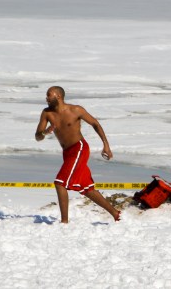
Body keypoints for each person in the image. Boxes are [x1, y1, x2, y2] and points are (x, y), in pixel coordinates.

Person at [35, 86, 120, 223]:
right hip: (67, 152)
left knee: (60, 183)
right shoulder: (47, 113)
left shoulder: (76, 110)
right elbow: (38, 137)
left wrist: (106, 145)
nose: (46, 98)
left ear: (58, 96)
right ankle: (116, 214)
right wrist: (46, 132)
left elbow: (95, 124)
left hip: (79, 148)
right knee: (87, 188)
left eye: (49, 95)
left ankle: (64, 222)